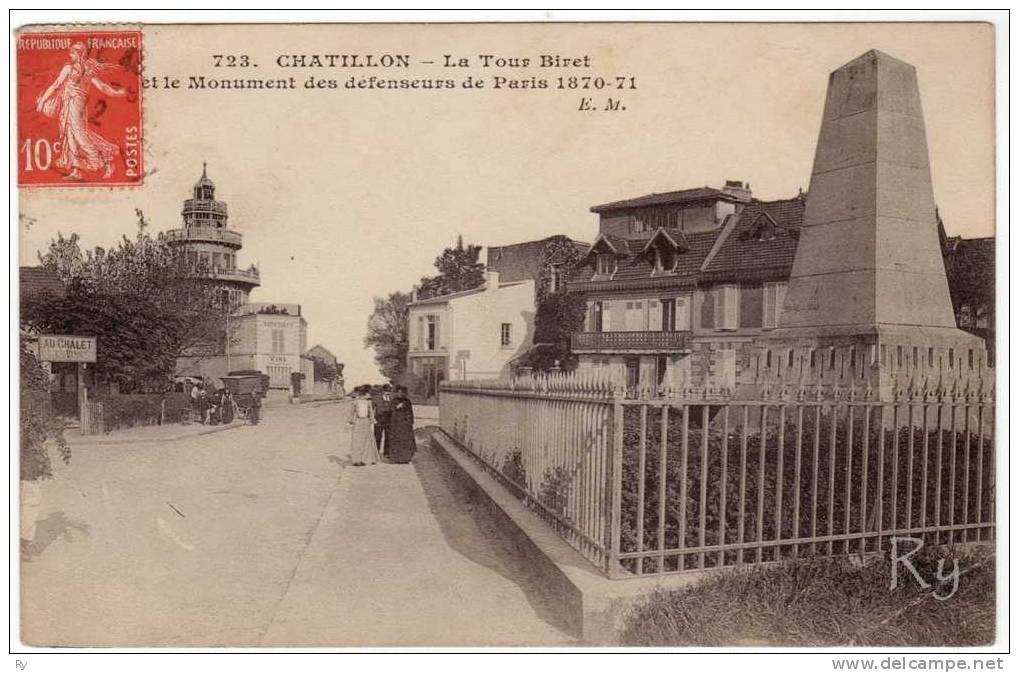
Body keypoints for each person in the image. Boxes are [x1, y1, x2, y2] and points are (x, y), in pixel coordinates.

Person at [34, 42, 127, 180]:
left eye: (72, 53)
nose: (70, 55)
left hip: (78, 106)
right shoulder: (68, 68)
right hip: (68, 104)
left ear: (79, 54)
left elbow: (102, 87)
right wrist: (42, 101)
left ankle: (103, 161)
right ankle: (76, 171)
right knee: (70, 135)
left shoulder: (88, 70)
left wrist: (117, 93)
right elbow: (56, 85)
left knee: (80, 135)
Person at [347, 387, 381, 466]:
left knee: (366, 441)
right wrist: (350, 421)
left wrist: (373, 420)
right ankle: (357, 460)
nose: (363, 395)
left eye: (363, 393)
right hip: (358, 422)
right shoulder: (355, 402)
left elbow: (371, 413)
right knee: (358, 441)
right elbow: (351, 413)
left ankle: (365, 459)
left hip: (366, 422)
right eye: (361, 393)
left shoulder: (368, 402)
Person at [385, 385, 416, 464]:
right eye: (399, 392)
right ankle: (395, 458)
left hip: (405, 424)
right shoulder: (394, 401)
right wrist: (397, 407)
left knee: (405, 441)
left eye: (402, 392)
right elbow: (390, 411)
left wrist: (410, 422)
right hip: (396, 424)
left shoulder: (407, 401)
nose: (401, 394)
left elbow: (410, 412)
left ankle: (405, 458)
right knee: (396, 441)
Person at [371, 383, 394, 456]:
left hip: (389, 418)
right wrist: (372, 418)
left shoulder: (392, 398)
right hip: (379, 418)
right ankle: (376, 452)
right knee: (377, 435)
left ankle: (386, 452)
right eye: (386, 391)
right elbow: (371, 408)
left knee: (388, 435)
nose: (388, 393)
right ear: (383, 391)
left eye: (389, 392)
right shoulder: (376, 398)